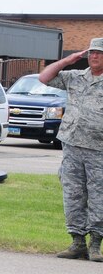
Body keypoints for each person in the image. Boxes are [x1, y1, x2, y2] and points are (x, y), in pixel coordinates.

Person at [38, 37, 103, 261]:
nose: (94, 56)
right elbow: (44, 77)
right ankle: (77, 242)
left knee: (98, 197)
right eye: (92, 52)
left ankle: (95, 244)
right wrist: (68, 60)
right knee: (73, 195)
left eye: (99, 53)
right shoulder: (75, 77)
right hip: (72, 145)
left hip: (99, 149)